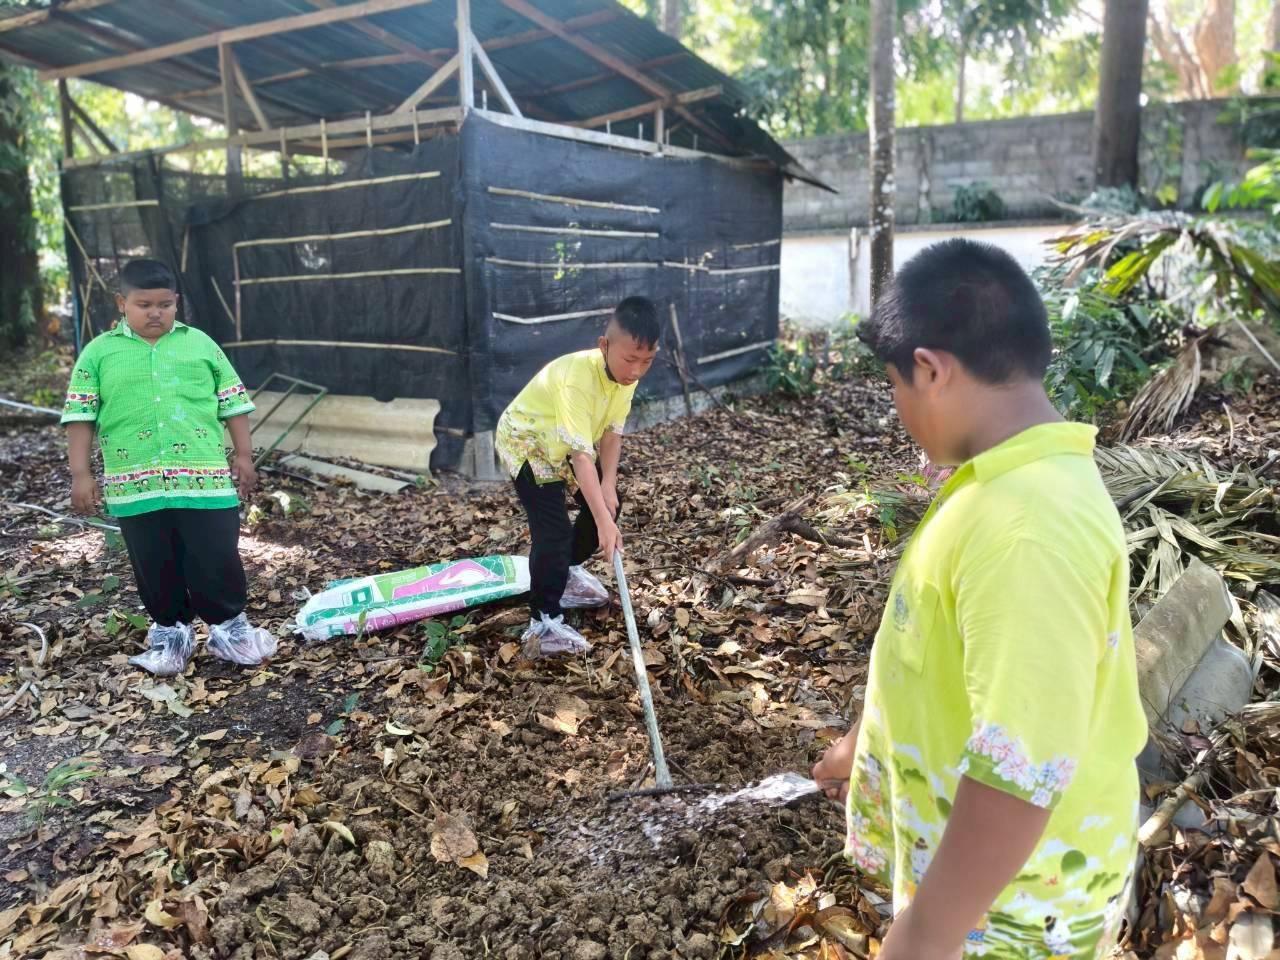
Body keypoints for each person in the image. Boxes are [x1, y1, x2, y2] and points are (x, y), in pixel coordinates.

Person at [812, 240, 1145, 959]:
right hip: (975, 893)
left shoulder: (1027, 530)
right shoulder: (1003, 483)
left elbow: (1018, 777)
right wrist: (861, 745)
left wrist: (923, 937)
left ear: (931, 370)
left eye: (896, 386)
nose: (899, 409)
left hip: (1010, 915)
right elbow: (932, 649)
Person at [62, 258, 277, 677]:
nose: (155, 313)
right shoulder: (99, 353)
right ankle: (171, 636)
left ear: (176, 302)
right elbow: (80, 417)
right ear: (122, 302)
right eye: (144, 305)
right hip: (135, 485)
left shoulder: (201, 345)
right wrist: (81, 474)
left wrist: (244, 455)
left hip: (205, 482)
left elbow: (233, 404)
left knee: (216, 554)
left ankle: (231, 632)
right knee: (154, 561)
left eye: (164, 304)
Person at [495, 296, 660, 657]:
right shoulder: (578, 379)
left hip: (566, 440)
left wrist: (608, 486)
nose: (636, 370)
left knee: (608, 505)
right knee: (553, 530)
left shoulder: (625, 378)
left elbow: (612, 433)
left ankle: (561, 572)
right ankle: (544, 620)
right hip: (528, 440)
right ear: (605, 345)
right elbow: (582, 457)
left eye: (647, 361)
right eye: (630, 359)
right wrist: (602, 521)